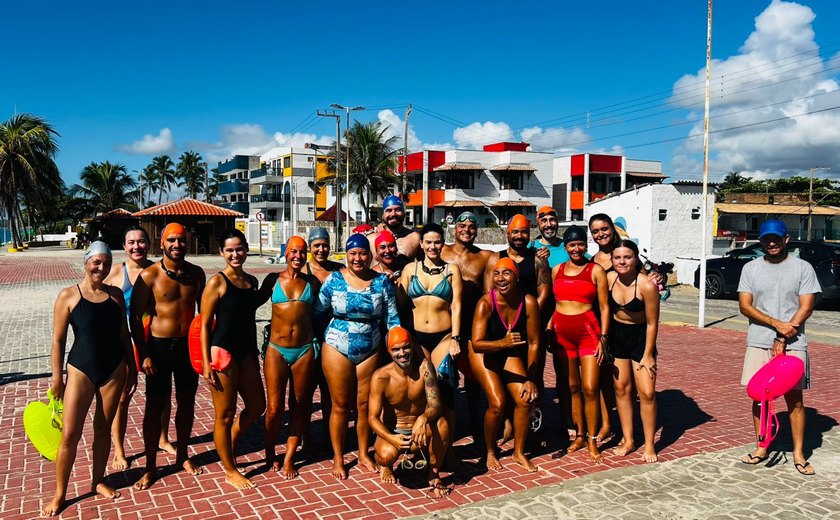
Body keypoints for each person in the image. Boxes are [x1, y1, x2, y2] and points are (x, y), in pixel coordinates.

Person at [42, 242, 136, 517]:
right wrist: (56, 378)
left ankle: (98, 480)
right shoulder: (69, 296)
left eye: (106, 263)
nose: (101, 267)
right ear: (86, 263)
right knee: (70, 434)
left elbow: (123, 335)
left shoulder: (116, 295)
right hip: (80, 370)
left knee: (103, 429)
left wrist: (131, 368)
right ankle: (60, 493)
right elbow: (58, 341)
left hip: (114, 369)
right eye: (96, 262)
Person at [315, 233, 401, 479]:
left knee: (364, 406)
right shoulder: (334, 280)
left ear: (370, 254)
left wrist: (397, 345)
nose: (357, 258)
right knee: (340, 406)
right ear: (346, 255)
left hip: (370, 346)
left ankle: (363, 453)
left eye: (362, 252)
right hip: (336, 346)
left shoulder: (381, 282)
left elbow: (392, 318)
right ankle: (338, 457)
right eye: (352, 253)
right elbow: (317, 310)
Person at [738, 219, 820, 475]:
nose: (771, 243)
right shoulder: (750, 269)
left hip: (794, 343)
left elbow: (806, 306)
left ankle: (798, 453)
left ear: (786, 239)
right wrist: (776, 324)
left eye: (776, 238)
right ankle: (762, 446)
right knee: (759, 398)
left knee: (794, 400)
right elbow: (745, 306)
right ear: (760, 241)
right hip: (758, 340)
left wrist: (784, 334)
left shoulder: (802, 268)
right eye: (766, 239)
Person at [130, 223, 207, 490]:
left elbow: (204, 316)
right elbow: (135, 316)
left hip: (187, 348)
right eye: (171, 240)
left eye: (181, 240)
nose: (177, 245)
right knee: (154, 408)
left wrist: (205, 354)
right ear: (161, 243)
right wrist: (145, 355)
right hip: (159, 349)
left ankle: (183, 455)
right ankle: (151, 467)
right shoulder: (149, 276)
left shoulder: (197, 274)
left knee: (187, 404)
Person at [199, 230, 269, 489]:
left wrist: (271, 283)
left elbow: (248, 306)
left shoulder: (251, 280)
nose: (235, 254)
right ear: (221, 253)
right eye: (229, 250)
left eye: (239, 249)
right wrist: (206, 362)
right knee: (224, 414)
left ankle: (230, 442)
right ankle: (229, 469)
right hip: (222, 353)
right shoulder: (216, 282)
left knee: (257, 405)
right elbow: (205, 324)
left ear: (246, 249)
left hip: (247, 352)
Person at [104, 225, 176, 471]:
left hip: (155, 340)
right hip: (127, 343)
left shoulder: (159, 270)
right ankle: (119, 450)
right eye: (131, 242)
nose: (137, 247)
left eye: (142, 241)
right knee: (123, 397)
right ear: (124, 246)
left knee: (163, 393)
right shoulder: (114, 275)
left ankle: (163, 438)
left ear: (149, 244)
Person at [471, 258, 540, 472]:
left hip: (508, 350)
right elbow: (476, 344)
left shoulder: (528, 302)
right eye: (497, 273)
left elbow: (535, 343)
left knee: (525, 399)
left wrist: (530, 378)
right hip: (484, 352)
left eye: (506, 273)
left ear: (517, 276)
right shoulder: (485, 303)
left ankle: (518, 451)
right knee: (498, 404)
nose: (501, 278)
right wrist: (502, 343)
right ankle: (490, 451)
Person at [397, 223, 463, 450]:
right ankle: (421, 445)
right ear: (422, 245)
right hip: (416, 338)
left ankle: (447, 448)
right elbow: (400, 303)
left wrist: (455, 338)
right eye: (428, 242)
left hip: (443, 338)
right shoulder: (410, 270)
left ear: (442, 243)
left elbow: (456, 305)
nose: (433, 246)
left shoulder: (452, 270)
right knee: (420, 393)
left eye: (437, 242)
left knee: (445, 392)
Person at [549, 225, 609, 463]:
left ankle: (593, 440)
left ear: (586, 245)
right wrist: (548, 329)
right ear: (566, 247)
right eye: (572, 245)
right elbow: (556, 305)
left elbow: (604, 307)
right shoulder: (557, 270)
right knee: (572, 387)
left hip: (588, 333)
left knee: (591, 388)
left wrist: (603, 337)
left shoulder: (596, 271)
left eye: (580, 244)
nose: (576, 248)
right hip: (562, 334)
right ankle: (580, 435)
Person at [369, 327, 451, 497]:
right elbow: (372, 418)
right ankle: (386, 466)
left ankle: (433, 474)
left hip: (418, 432)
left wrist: (423, 418)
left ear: (413, 346)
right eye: (396, 349)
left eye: (406, 347)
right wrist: (391, 438)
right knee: (385, 456)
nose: (402, 353)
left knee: (442, 424)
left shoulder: (425, 369)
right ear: (389, 351)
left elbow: (436, 405)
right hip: (394, 433)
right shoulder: (381, 377)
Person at [264, 236, 320, 479]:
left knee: (299, 405)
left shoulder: (312, 282)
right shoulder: (272, 280)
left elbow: (325, 308)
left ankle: (289, 458)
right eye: (293, 251)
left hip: (304, 350)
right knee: (274, 409)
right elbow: (246, 304)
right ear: (285, 253)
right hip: (276, 350)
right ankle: (269, 451)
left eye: (302, 252)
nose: (298, 256)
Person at [440, 211, 494, 441]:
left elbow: (489, 295)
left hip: (471, 325)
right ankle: (444, 426)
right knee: (443, 377)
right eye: (462, 225)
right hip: (443, 325)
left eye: (472, 226)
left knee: (473, 378)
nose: (467, 230)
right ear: (455, 228)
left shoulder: (485, 257)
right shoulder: (440, 251)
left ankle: (474, 422)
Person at [607, 240, 660, 462]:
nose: (622, 261)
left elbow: (652, 323)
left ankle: (649, 444)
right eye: (617, 257)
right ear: (611, 260)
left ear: (636, 258)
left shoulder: (647, 285)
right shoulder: (609, 279)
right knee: (621, 390)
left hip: (641, 339)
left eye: (627, 257)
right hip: (617, 337)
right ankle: (628, 439)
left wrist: (648, 354)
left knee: (647, 392)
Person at [375, 195, 420, 268]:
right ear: (383, 215)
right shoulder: (372, 238)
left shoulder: (414, 238)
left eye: (398, 210)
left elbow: (426, 264)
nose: (393, 214)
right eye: (389, 210)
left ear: (404, 213)